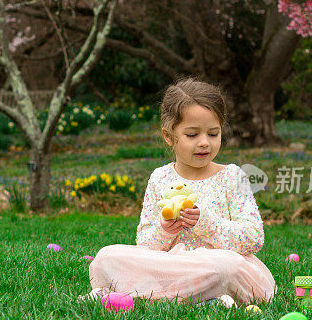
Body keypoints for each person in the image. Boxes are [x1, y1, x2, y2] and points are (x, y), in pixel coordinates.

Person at [82, 77, 276, 306]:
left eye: (213, 134)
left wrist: (206, 223)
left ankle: (134, 292)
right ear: (168, 136)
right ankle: (205, 300)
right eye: (192, 135)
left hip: (216, 266)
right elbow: (144, 244)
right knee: (107, 256)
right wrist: (164, 230)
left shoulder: (232, 177)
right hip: (169, 267)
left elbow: (254, 237)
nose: (204, 142)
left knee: (227, 268)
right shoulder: (160, 178)